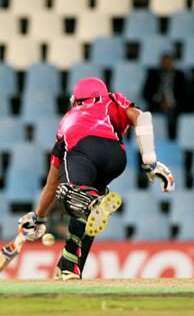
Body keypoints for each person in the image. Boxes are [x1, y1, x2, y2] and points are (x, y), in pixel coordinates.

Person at [16, 77, 175, 281]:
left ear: (77, 100)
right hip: (116, 156)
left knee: (69, 195)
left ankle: (93, 203)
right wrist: (150, 161)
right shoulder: (112, 100)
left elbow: (51, 183)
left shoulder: (67, 120)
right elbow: (142, 118)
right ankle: (70, 267)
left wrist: (38, 217)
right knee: (86, 214)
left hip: (82, 152)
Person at [142, 53, 189, 139]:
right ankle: (146, 141)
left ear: (172, 63)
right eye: (164, 63)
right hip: (156, 104)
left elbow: (184, 94)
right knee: (144, 118)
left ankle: (171, 141)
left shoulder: (180, 75)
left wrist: (171, 103)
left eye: (168, 62)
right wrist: (159, 101)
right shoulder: (153, 75)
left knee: (173, 119)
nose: (166, 65)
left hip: (174, 106)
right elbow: (145, 93)